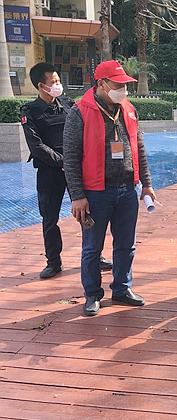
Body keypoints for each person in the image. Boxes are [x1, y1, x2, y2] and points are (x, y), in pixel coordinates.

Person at [63, 60, 155, 317]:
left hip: (126, 190)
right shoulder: (79, 112)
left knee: (126, 245)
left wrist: (146, 184)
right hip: (96, 193)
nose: (123, 90)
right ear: (102, 84)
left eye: (125, 85)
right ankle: (92, 294)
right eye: (118, 85)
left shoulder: (128, 109)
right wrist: (77, 196)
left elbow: (139, 148)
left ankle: (122, 288)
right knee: (92, 248)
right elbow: (70, 158)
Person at [20, 63, 112, 279]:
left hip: (75, 170)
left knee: (86, 213)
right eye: (54, 82)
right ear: (41, 86)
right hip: (49, 172)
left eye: (58, 81)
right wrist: (64, 161)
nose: (58, 85)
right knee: (49, 218)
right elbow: (36, 146)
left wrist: (72, 163)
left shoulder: (69, 105)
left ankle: (95, 256)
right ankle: (53, 261)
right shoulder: (30, 111)